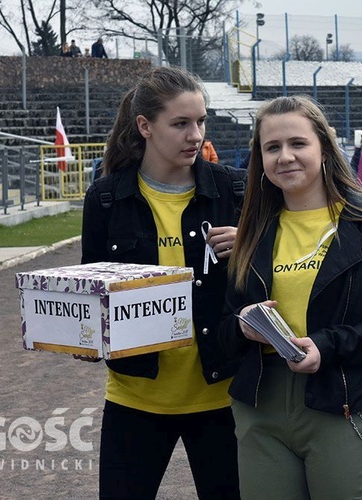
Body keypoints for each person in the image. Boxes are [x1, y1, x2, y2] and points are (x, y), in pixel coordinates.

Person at [218, 94, 362, 499]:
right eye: (272, 147)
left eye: (297, 144)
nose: (286, 157)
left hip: (344, 400)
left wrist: (327, 344)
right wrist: (243, 326)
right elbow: (223, 325)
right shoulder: (251, 230)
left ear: (323, 148)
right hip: (260, 406)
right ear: (260, 159)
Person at [79, 67, 244, 499]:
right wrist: (82, 335)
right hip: (136, 397)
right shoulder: (106, 198)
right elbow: (89, 289)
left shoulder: (234, 189)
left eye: (201, 121)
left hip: (223, 397)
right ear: (144, 126)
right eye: (181, 123)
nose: (195, 134)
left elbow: (275, 275)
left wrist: (252, 244)